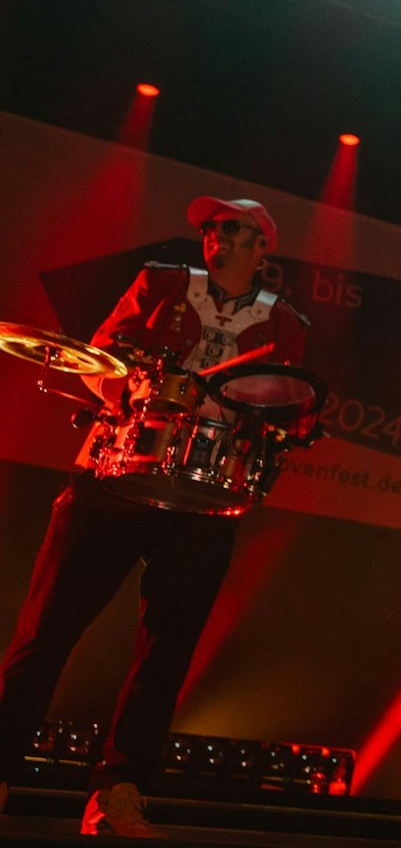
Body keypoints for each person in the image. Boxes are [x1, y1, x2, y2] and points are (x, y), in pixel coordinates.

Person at [0, 196, 307, 836]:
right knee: (45, 632)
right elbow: (99, 358)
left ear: (261, 249)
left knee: (165, 653)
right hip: (113, 474)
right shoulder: (162, 283)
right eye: (212, 228)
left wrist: (267, 418)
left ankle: (119, 792)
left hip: (206, 495)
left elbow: (294, 405)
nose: (217, 238)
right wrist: (129, 388)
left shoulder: (284, 323)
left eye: (233, 230)